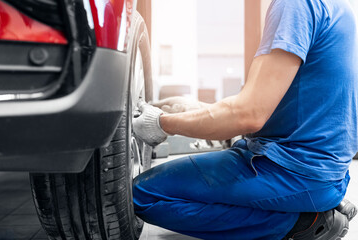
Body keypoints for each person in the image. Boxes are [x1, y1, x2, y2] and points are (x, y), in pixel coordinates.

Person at [132, 0, 358, 239]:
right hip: (328, 173)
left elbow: (250, 115)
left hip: (293, 172)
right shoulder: (333, 6)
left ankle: (303, 220)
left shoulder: (294, 5)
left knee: (142, 195)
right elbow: (288, 105)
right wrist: (195, 110)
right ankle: (309, 202)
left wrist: (161, 123)